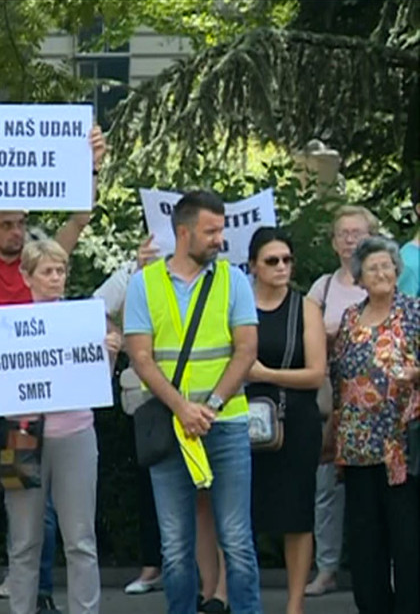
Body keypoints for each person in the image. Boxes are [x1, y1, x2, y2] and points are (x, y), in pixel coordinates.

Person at [0, 117, 106, 614]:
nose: (15, 232)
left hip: (39, 423)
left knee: (48, 521)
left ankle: (45, 599)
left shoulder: (40, 266)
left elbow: (78, 219)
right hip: (2, 417)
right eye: (5, 224)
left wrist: (90, 166)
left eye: (21, 224)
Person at [122, 190, 262, 614]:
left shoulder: (233, 279)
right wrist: (183, 409)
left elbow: (246, 350)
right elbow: (141, 358)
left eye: (220, 230)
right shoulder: (143, 284)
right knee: (175, 544)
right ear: (183, 233)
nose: (220, 239)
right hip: (172, 425)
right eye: (211, 231)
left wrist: (212, 405)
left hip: (226, 422)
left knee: (236, 539)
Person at [0, 239, 116, 614]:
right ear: (27, 276)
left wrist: (108, 354)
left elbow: (98, 384)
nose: (56, 278)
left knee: (80, 539)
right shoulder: (5, 324)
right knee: (24, 540)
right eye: (47, 271)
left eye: (61, 270)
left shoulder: (83, 320)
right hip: (21, 435)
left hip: (75, 432)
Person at [327, 236, 420, 614]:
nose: (381, 272)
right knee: (366, 543)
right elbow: (338, 379)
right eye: (372, 268)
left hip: (402, 447)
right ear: (360, 278)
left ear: (397, 272)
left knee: (408, 541)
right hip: (356, 448)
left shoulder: (414, 312)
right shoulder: (350, 319)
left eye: (387, 266)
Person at [246, 227, 326, 614]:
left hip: (294, 421)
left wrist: (265, 374)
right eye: (272, 261)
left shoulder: (305, 307)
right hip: (242, 421)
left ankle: (295, 604)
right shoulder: (238, 304)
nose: (281, 267)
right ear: (253, 267)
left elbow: (315, 374)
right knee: (240, 515)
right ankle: (237, 597)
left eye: (287, 260)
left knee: (297, 514)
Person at [304, 205, 377, 597]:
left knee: (380, 491)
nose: (350, 239)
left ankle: (385, 569)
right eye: (343, 233)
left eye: (357, 232)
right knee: (326, 489)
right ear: (333, 243)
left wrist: (338, 331)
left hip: (378, 405)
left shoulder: (382, 279)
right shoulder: (323, 288)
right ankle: (326, 568)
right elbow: (308, 332)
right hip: (330, 401)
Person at [95, 235, 166, 597]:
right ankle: (152, 566)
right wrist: (120, 338)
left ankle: (206, 573)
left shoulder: (215, 273)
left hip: (202, 393)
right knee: (150, 483)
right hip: (146, 396)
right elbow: (93, 311)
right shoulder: (130, 273)